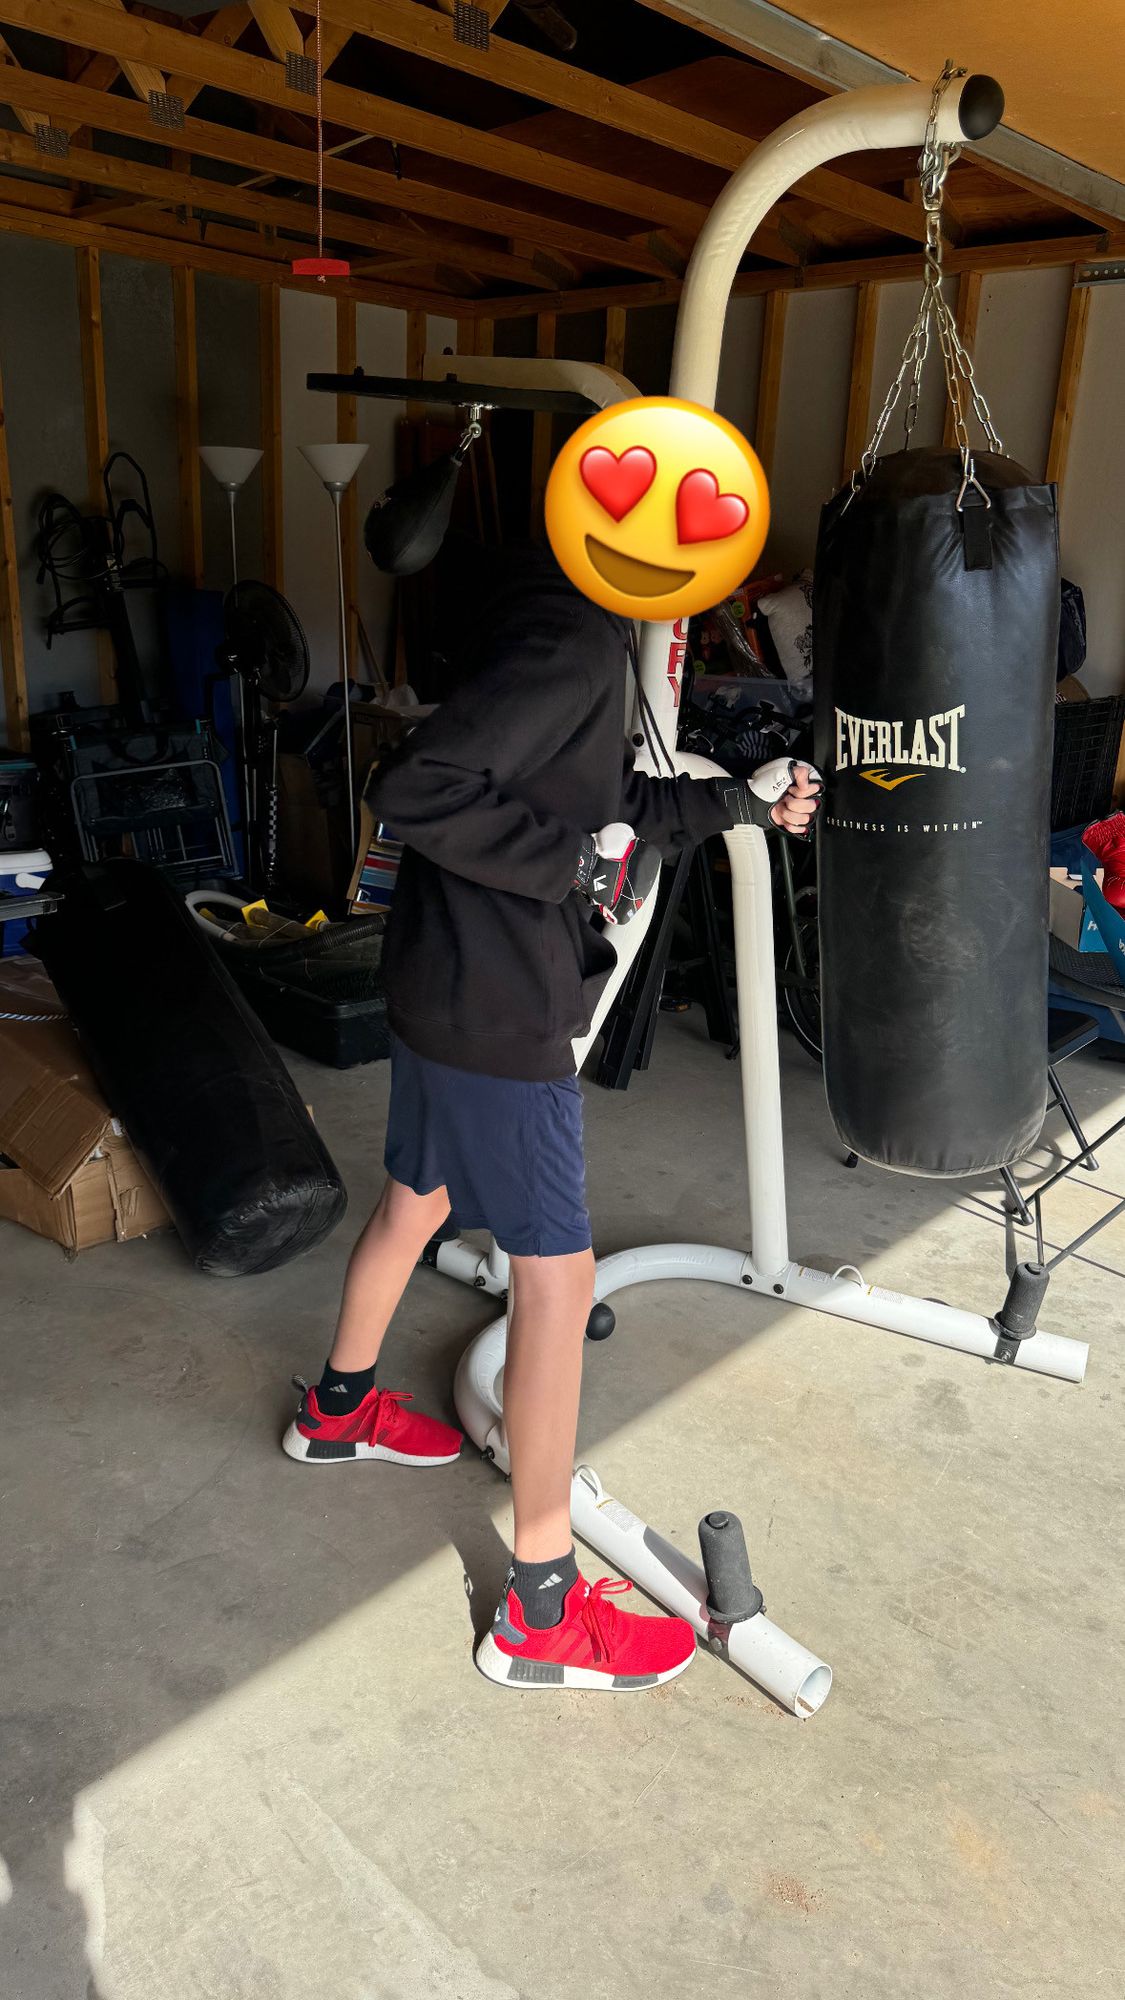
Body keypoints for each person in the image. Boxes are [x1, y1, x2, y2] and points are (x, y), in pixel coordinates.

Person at [283, 545, 820, 1692]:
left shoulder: (548, 612)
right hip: (498, 1004)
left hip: (442, 981)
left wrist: (744, 797)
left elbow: (601, 794)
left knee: (418, 1199)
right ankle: (537, 1605)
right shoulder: (576, 641)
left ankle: (336, 1412)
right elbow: (421, 787)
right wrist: (572, 869)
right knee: (556, 1282)